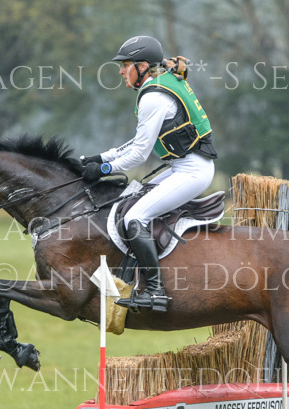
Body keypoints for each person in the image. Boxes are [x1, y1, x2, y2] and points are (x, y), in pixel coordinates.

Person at [81, 35, 217, 312]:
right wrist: (102, 157)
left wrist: (104, 170)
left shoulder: (153, 97)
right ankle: (132, 276)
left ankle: (156, 291)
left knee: (135, 217)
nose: (121, 72)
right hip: (183, 167)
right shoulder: (161, 82)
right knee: (129, 199)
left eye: (125, 65)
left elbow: (139, 155)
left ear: (142, 66)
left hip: (193, 171)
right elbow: (139, 141)